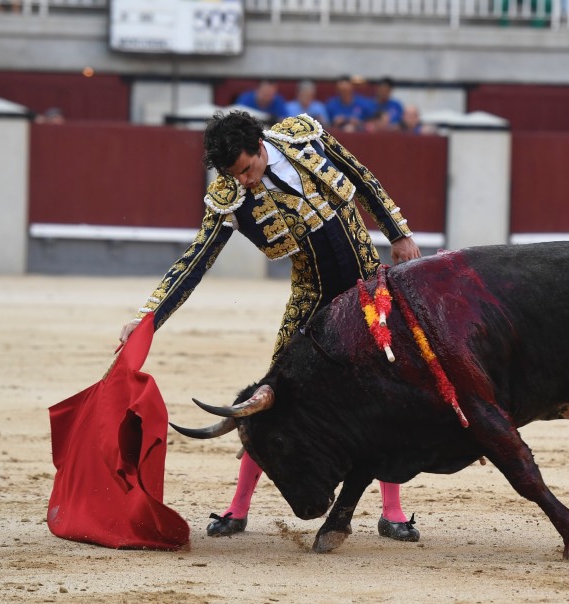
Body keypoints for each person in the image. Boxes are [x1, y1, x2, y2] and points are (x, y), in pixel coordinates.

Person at [118, 111, 423, 541]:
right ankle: (237, 508)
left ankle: (392, 512)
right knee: (271, 400)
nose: (243, 181)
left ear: (260, 146)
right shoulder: (229, 195)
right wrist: (149, 318)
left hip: (369, 289)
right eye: (233, 175)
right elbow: (194, 262)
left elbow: (363, 177)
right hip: (312, 299)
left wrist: (399, 233)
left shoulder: (305, 136)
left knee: (387, 391)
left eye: (245, 169)